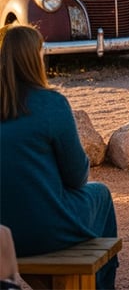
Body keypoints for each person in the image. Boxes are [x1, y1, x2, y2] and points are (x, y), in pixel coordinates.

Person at [0, 25, 118, 290]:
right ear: (34, 58)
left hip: (3, 233)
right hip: (44, 230)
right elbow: (77, 177)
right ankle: (101, 285)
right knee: (101, 195)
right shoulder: (51, 104)